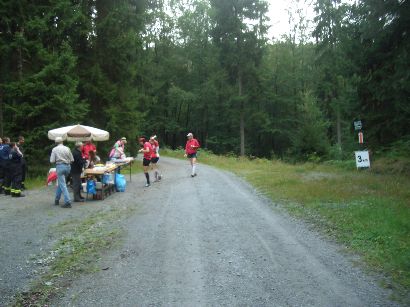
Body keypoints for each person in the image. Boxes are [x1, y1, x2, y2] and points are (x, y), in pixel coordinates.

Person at [50, 137, 74, 208]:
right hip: (68, 167)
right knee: (62, 183)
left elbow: (52, 160)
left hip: (60, 166)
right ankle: (56, 199)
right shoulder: (67, 148)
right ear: (62, 142)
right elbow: (72, 159)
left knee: (62, 184)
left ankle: (68, 202)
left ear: (56, 143)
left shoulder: (54, 149)